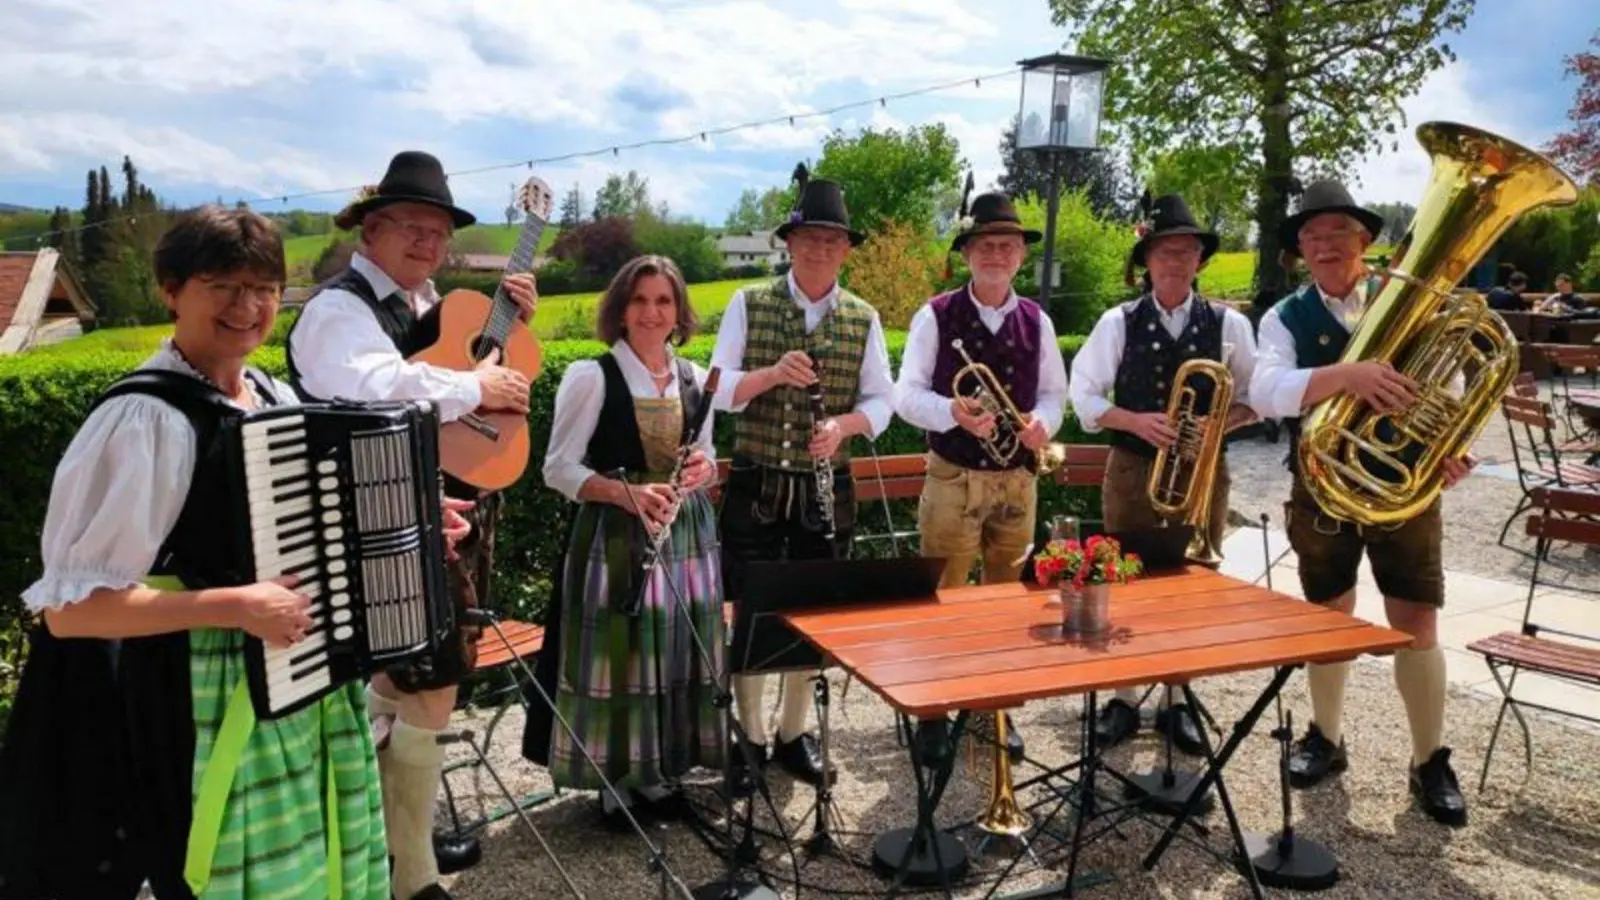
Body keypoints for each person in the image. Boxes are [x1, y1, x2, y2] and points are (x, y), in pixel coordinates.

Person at [0, 206, 471, 899]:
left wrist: (421, 521)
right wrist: (236, 606)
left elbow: (312, 528)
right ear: (171, 289)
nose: (247, 307)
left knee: (320, 872)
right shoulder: (144, 421)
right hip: (200, 706)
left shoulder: (273, 397)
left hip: (302, 686)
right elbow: (72, 614)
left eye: (263, 289)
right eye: (222, 285)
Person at [285, 151, 537, 900]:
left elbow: (493, 380)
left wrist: (509, 334)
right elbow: (369, 386)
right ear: (370, 228)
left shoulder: (430, 305)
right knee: (430, 686)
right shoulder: (338, 310)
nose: (428, 242)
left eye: (438, 231)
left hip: (441, 509)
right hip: (379, 520)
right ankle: (412, 874)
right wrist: (475, 382)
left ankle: (397, 845)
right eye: (413, 227)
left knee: (406, 685)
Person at [1249, 179, 1473, 827]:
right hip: (1323, 482)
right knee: (1328, 612)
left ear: (1365, 240)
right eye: (1310, 237)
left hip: (1405, 483)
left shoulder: (1409, 302)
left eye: (1336, 233)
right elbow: (1265, 390)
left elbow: (1453, 379)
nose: (1322, 245)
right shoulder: (1285, 316)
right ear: (1299, 250)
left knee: (1416, 618)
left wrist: (1448, 444)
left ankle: (1428, 758)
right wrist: (1347, 375)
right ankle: (1326, 735)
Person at [521, 255, 726, 826]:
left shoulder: (693, 375)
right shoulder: (592, 376)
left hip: (683, 533)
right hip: (614, 535)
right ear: (620, 308)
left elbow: (705, 453)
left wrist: (701, 472)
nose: (651, 312)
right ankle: (614, 779)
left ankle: (657, 772)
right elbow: (558, 469)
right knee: (620, 655)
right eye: (639, 300)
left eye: (663, 301)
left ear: (678, 311)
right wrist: (625, 494)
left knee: (674, 653)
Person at [710, 165, 895, 787]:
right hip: (758, 482)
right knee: (753, 611)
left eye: (833, 240)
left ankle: (793, 734)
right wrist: (769, 376)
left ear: (845, 250)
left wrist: (843, 427)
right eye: (810, 237)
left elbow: (883, 405)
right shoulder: (747, 302)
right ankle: (749, 737)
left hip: (826, 488)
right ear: (789, 243)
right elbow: (717, 391)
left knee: (813, 614)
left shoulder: (864, 317)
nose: (821, 248)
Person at [1068, 193, 1258, 756]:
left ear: (1200, 259)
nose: (1175, 261)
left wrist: (1220, 425)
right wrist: (1133, 419)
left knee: (1189, 582)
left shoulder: (1230, 325)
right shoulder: (1117, 321)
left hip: (1202, 474)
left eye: (1186, 251)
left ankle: (1178, 698)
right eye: (1164, 251)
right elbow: (1083, 395)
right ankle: (1124, 696)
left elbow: (1258, 398)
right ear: (1147, 260)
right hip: (1131, 467)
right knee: (1122, 579)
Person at [893, 188, 1068, 763]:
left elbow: (1052, 395)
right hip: (954, 477)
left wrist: (1042, 423)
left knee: (1006, 599)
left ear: (1021, 255)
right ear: (968, 252)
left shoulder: (1037, 320)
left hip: (1017, 479)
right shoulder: (936, 314)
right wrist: (952, 411)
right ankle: (936, 713)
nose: (997, 253)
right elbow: (905, 395)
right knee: (943, 597)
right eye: (986, 244)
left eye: (1008, 244)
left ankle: (994, 708)